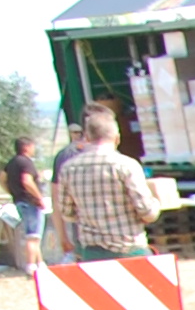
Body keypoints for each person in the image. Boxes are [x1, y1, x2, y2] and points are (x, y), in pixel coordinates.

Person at [53, 105, 156, 261]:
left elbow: (67, 212)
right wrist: (155, 203)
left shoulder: (68, 168)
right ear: (117, 137)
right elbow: (147, 212)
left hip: (92, 251)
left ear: (87, 137)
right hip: (129, 249)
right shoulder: (127, 165)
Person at [2, 138, 47, 271]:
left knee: (33, 234)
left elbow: (2, 179)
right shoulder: (26, 162)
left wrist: (12, 191)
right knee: (33, 236)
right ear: (26, 147)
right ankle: (31, 265)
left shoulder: (11, 163)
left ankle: (40, 263)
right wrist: (39, 197)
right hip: (30, 201)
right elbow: (27, 181)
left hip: (19, 201)